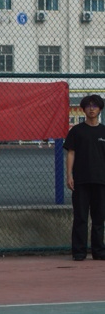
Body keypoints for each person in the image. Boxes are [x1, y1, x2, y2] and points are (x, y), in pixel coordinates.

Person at [65, 94, 105, 261]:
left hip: (101, 181)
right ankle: (79, 252)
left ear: (100, 109)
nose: (91, 109)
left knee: (99, 218)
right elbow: (71, 153)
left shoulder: (103, 131)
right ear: (83, 109)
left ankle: (99, 251)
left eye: (95, 106)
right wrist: (69, 175)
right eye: (88, 106)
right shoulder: (76, 131)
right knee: (80, 217)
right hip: (81, 181)